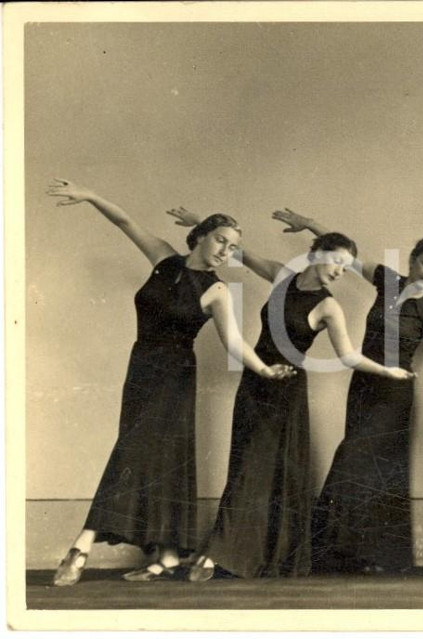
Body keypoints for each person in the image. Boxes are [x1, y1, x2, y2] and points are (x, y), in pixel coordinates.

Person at [47, 180, 294, 586]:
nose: (225, 251)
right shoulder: (164, 259)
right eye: (220, 240)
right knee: (155, 458)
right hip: (140, 369)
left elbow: (234, 343)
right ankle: (164, 558)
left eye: (232, 248)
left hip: (176, 378)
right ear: (200, 237)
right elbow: (124, 221)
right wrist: (91, 196)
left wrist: (265, 370)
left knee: (135, 453)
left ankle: (81, 546)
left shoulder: (217, 291)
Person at [164, 208, 415, 581]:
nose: (338, 272)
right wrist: (201, 224)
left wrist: (387, 370)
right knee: (243, 468)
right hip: (254, 382)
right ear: (316, 255)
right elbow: (239, 252)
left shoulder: (330, 306)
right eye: (334, 262)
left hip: (286, 393)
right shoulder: (283, 276)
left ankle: (218, 555)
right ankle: (234, 554)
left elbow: (348, 355)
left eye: (345, 268)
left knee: (258, 470)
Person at [272, 208, 423, 574]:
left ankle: (359, 555)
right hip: (364, 383)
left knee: (364, 464)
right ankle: (342, 558)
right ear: (413, 260)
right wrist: (310, 224)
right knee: (359, 465)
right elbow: (348, 257)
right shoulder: (387, 280)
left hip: (396, 394)